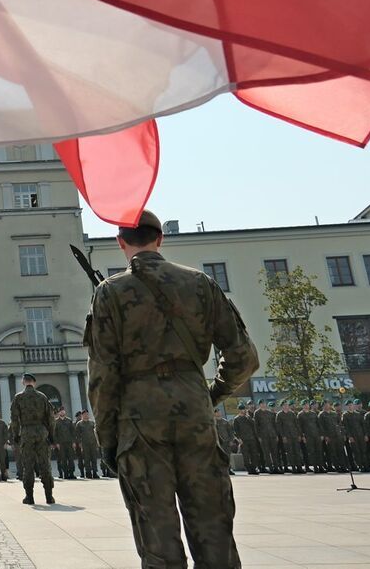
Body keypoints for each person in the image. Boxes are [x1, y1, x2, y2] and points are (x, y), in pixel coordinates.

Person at [87, 209, 259, 567]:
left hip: (140, 419)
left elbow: (104, 374)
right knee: (214, 528)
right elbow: (243, 357)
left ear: (121, 243)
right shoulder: (200, 283)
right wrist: (212, 394)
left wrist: (107, 438)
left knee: (157, 533)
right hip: (194, 408)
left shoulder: (110, 292)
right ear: (160, 239)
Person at [9, 373, 56, 506]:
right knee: (45, 465)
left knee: (28, 466)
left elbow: (14, 419)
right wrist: (51, 436)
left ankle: (29, 497)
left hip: (26, 433)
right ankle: (49, 497)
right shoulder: (42, 397)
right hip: (42, 432)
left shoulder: (18, 398)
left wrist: (16, 435)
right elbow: (51, 419)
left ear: (23, 382)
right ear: (34, 383)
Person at [318, 401, 347, 473]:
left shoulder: (334, 413)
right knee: (333, 452)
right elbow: (321, 427)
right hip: (330, 436)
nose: (327, 406)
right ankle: (337, 467)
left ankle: (343, 466)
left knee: (340, 451)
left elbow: (340, 424)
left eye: (328, 405)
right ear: (323, 406)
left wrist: (342, 434)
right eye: (325, 405)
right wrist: (325, 436)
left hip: (338, 435)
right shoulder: (321, 415)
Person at [253, 401, 281, 474]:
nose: (263, 405)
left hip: (272, 435)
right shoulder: (257, 413)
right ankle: (270, 468)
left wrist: (276, 435)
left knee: (274, 452)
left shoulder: (270, 413)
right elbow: (256, 426)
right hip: (263, 436)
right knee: (266, 453)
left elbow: (274, 424)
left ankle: (276, 468)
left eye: (264, 403)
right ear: (259, 405)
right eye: (261, 404)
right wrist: (258, 436)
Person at [231, 403, 261, 475]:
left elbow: (253, 427)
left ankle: (254, 468)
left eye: (244, 409)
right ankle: (249, 469)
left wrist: (249, 417)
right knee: (246, 455)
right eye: (241, 409)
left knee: (254, 454)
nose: (243, 411)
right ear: (239, 410)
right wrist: (239, 439)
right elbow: (235, 431)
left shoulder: (248, 417)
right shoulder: (236, 419)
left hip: (251, 438)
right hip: (243, 440)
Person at [75, 411, 100, 479]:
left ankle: (95, 472)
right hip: (85, 444)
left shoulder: (92, 423)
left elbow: (96, 433)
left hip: (93, 443)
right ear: (82, 415)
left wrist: (97, 443)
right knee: (87, 459)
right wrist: (80, 444)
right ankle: (88, 473)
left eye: (87, 414)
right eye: (84, 414)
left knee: (94, 458)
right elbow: (77, 435)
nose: (86, 415)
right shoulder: (79, 424)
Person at [53, 408, 75, 479]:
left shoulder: (69, 420)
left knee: (71, 459)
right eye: (60, 411)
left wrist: (74, 442)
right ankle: (65, 474)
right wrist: (57, 443)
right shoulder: (56, 422)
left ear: (65, 412)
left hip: (69, 442)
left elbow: (73, 432)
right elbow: (54, 434)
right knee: (63, 459)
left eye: (63, 411)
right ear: (59, 413)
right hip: (61, 443)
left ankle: (71, 473)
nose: (62, 412)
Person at [213, 409, 235, 476]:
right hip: (219, 443)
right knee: (219, 457)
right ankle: (221, 470)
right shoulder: (213, 422)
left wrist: (231, 440)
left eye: (219, 412)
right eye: (217, 412)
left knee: (227, 456)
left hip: (227, 442)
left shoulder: (225, 421)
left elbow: (230, 432)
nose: (218, 413)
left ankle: (229, 469)